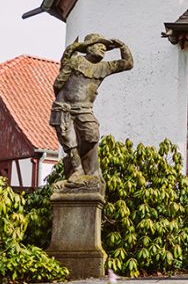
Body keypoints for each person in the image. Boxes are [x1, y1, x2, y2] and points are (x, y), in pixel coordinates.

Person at [50, 33, 133, 182]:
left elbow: (128, 63)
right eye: (99, 45)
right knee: (68, 141)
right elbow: (58, 82)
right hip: (64, 107)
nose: (103, 49)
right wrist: (73, 47)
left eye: (105, 48)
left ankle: (77, 163)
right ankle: (77, 169)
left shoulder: (105, 67)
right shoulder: (76, 61)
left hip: (84, 109)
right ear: (89, 48)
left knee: (92, 136)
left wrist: (122, 46)